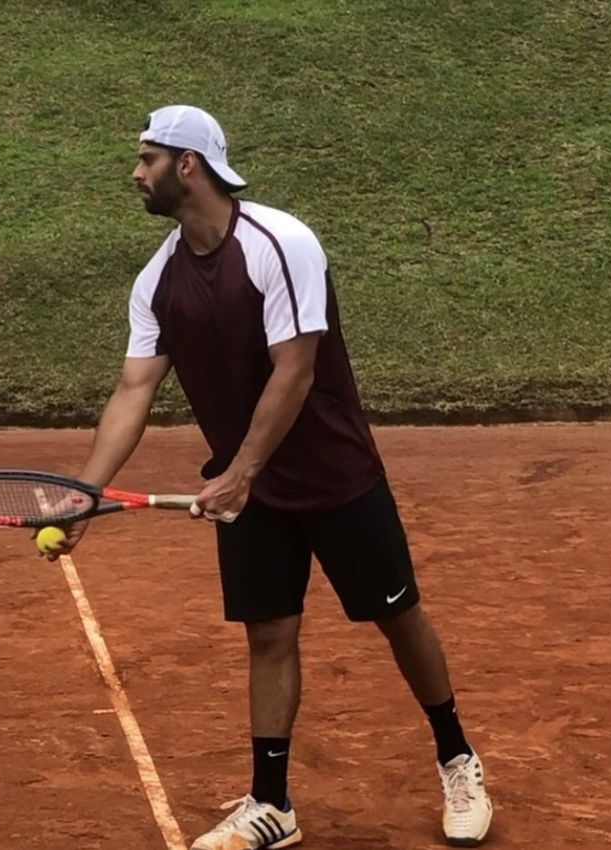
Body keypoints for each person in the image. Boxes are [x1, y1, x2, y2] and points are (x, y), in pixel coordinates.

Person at [42, 104, 493, 849]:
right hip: (246, 489)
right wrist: (86, 493)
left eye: (147, 158)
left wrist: (243, 470)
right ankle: (273, 804)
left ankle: (457, 756)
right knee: (269, 635)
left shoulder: (281, 243)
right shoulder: (157, 281)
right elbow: (133, 391)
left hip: (334, 474)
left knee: (396, 614)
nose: (135, 172)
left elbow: (297, 369)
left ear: (188, 165)